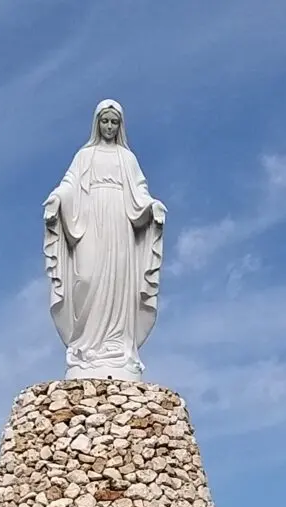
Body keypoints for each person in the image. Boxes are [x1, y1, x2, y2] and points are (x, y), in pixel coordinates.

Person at [42, 99, 167, 381]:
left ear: (120, 126)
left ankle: (116, 346)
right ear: (97, 123)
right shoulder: (85, 156)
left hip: (119, 223)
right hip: (89, 219)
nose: (109, 127)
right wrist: (57, 200)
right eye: (105, 121)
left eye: (114, 122)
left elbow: (140, 191)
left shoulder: (127, 159)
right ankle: (86, 347)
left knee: (118, 282)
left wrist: (152, 206)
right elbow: (69, 185)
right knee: (85, 278)